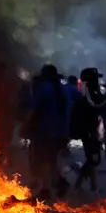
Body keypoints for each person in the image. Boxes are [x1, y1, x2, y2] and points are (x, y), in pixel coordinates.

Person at [29, 64, 71, 200]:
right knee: (52, 158)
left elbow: (35, 109)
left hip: (46, 130)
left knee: (43, 159)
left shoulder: (44, 88)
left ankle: (46, 189)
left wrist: (27, 125)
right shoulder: (63, 89)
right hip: (62, 131)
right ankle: (59, 181)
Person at [71, 67, 106, 192]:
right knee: (94, 159)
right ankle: (79, 178)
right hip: (87, 131)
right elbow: (96, 106)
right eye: (96, 78)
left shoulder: (91, 91)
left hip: (91, 129)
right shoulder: (87, 93)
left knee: (92, 158)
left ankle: (90, 185)